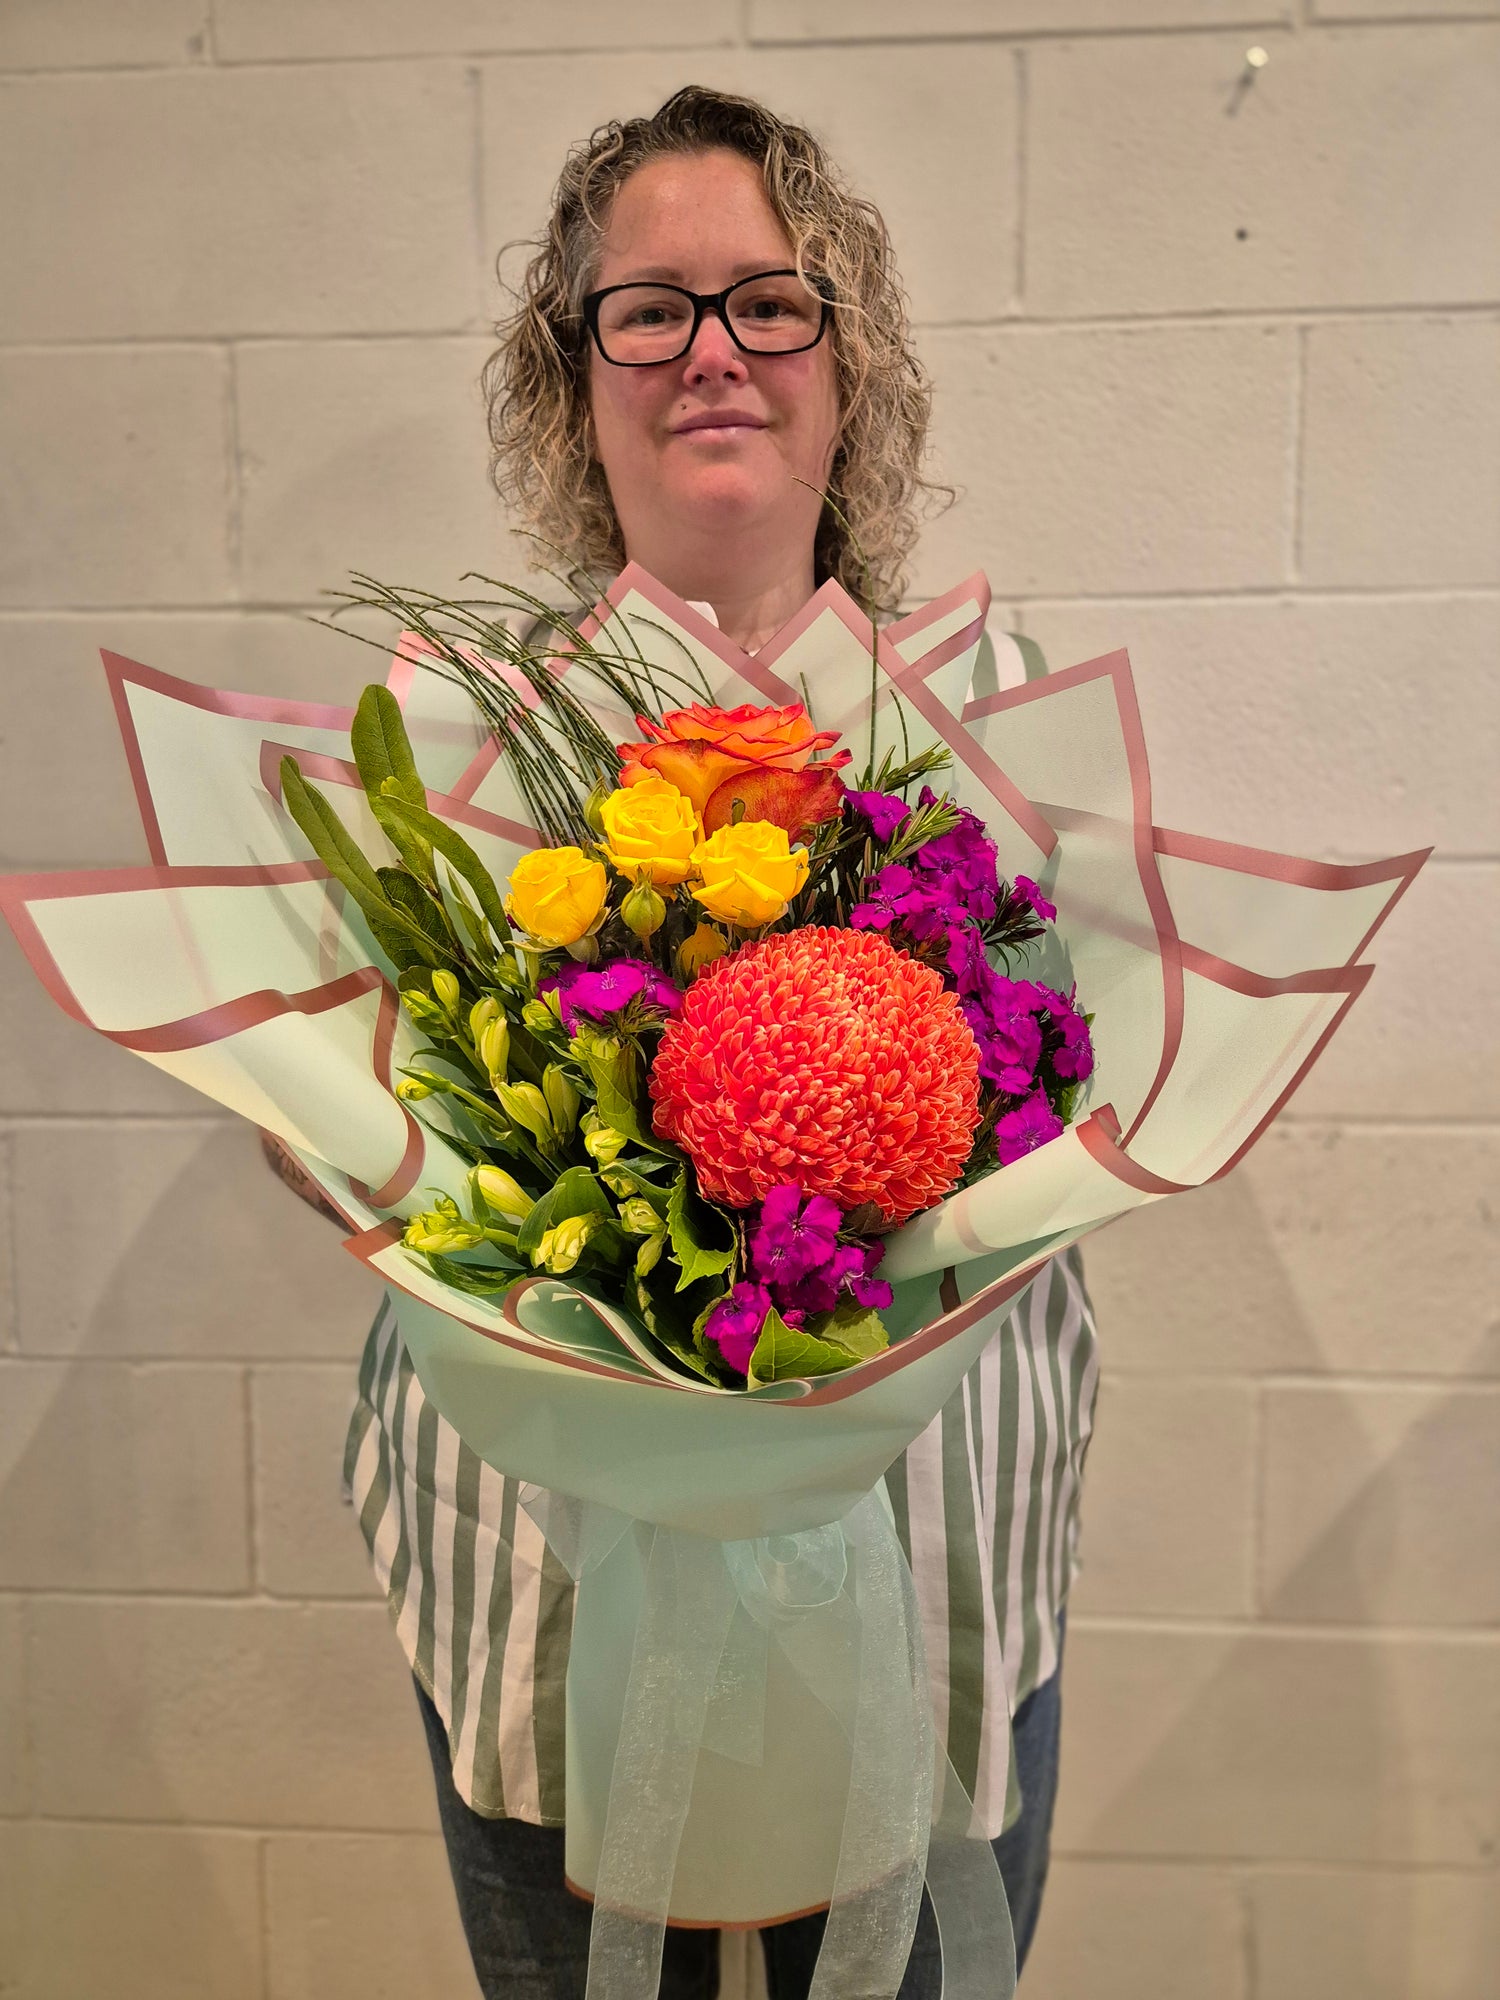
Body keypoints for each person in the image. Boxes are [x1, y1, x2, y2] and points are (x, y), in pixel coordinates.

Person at [273, 84, 1098, 2000]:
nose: (709, 351)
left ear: (848, 360)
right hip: (545, 1599)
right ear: (576, 380)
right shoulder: (448, 728)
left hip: (939, 1576)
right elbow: (339, 1131)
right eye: (645, 309)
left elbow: (1100, 1102)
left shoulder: (997, 704)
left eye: (767, 301)